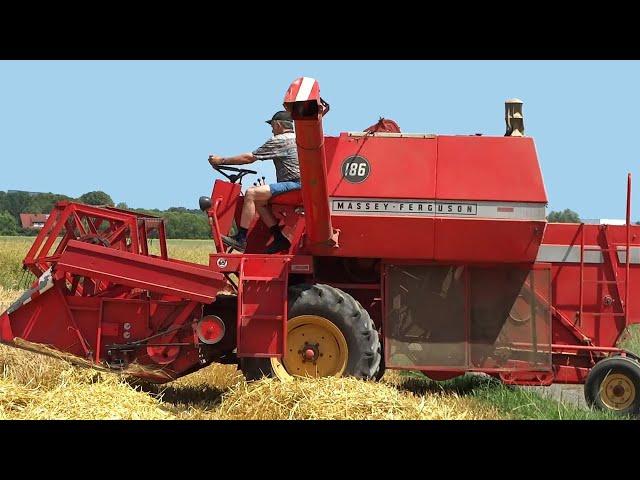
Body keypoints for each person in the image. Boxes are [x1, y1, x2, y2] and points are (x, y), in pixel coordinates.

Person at [208, 110, 301, 253]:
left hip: (295, 185)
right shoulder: (299, 138)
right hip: (300, 184)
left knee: (251, 193)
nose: (271, 129)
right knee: (260, 201)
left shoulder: (280, 139)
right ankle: (279, 238)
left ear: (278, 125)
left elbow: (249, 158)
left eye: (272, 125)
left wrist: (221, 160)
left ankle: (241, 239)